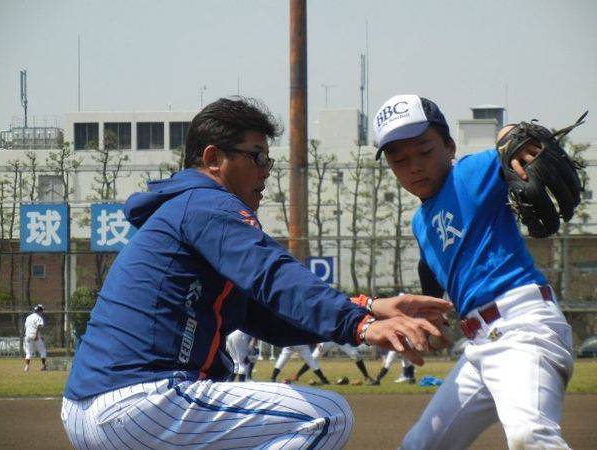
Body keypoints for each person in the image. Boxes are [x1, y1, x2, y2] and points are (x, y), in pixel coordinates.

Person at [61, 96, 451, 449]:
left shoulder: (186, 209)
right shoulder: (207, 204)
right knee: (326, 416)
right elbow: (272, 274)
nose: (266, 171)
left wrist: (369, 308)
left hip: (96, 406)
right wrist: (359, 325)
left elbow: (268, 318)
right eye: (257, 157)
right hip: (142, 403)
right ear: (214, 159)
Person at [373, 94, 575, 449]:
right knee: (419, 446)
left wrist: (511, 134)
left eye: (425, 151)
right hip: (479, 344)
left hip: (523, 328)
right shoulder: (420, 223)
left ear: (450, 147)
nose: (414, 166)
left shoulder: (468, 175)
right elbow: (431, 270)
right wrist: (429, 314)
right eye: (399, 160)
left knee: (530, 436)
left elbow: (508, 144)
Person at [290, 341, 378, 385]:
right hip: (327, 339)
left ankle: (367, 377)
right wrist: (318, 341)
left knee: (355, 354)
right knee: (313, 357)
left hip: (340, 338)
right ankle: (298, 375)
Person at [23, 304, 47, 372]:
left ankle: (26, 367)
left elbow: (25, 327)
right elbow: (39, 326)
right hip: (35, 336)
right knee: (42, 351)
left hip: (27, 336)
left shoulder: (28, 317)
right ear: (40, 311)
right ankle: (43, 366)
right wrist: (36, 335)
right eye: (42, 310)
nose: (42, 312)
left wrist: (28, 334)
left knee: (28, 352)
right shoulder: (38, 317)